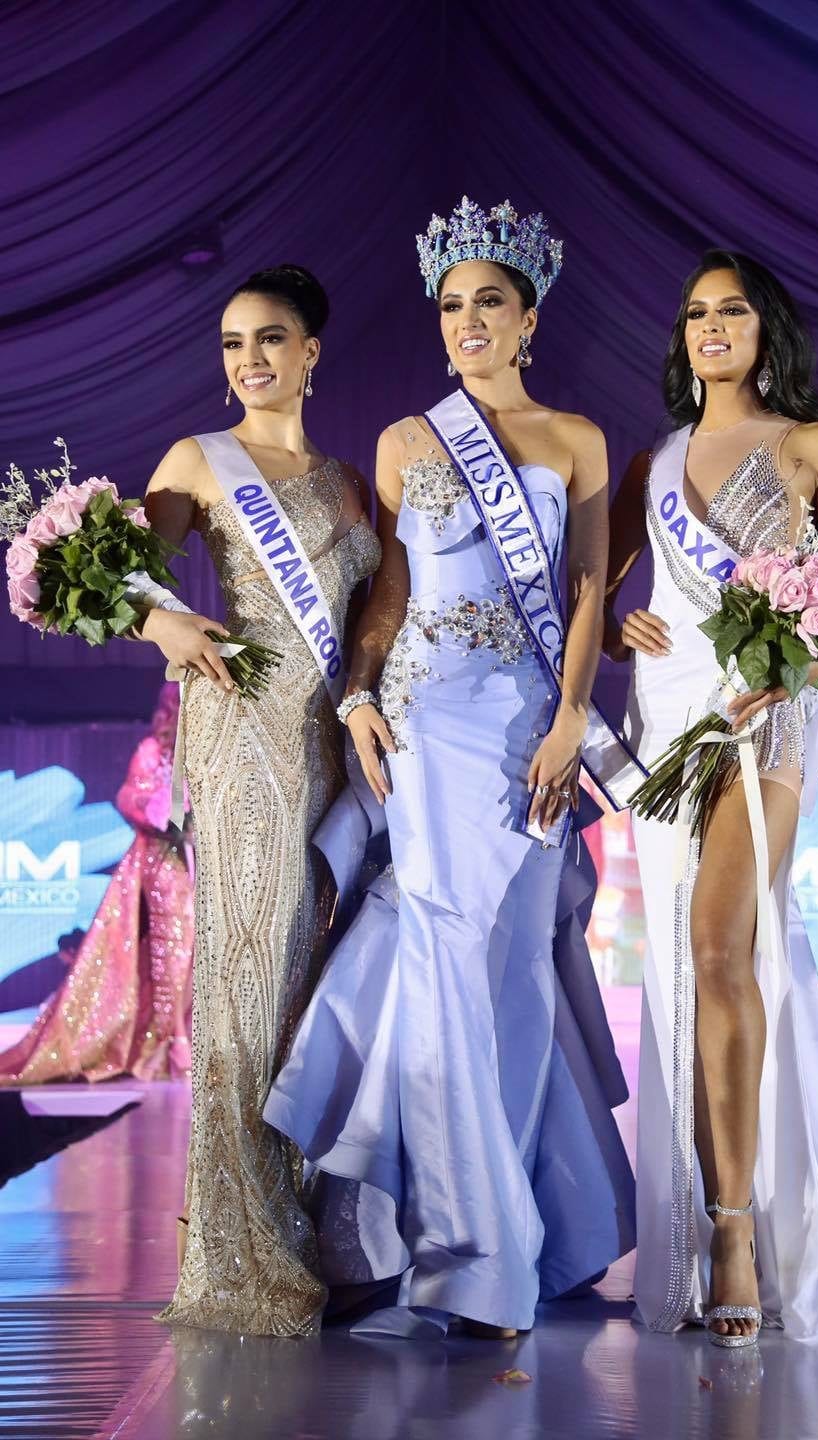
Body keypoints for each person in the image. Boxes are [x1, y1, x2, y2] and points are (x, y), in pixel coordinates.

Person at [266, 199, 637, 1340]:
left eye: (489, 303)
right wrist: (359, 695)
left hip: (531, 727)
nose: (467, 321)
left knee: (516, 971)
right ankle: (470, 1258)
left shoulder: (577, 438)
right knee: (437, 960)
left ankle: (517, 1227)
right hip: (427, 725)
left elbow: (587, 593)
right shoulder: (404, 440)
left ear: (529, 319)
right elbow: (389, 591)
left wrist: (571, 720)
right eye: (451, 305)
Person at [605, 249, 818, 1345]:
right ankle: (702, 1209)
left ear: (768, 331)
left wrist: (788, 661)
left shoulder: (815, 447)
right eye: (695, 313)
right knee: (688, 967)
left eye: (733, 311)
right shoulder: (653, 461)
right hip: (669, 719)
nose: (711, 327)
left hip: (773, 719)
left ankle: (736, 1232)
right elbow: (594, 596)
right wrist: (618, 624)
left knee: (722, 946)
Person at [139, 264, 381, 1335]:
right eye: (234, 343)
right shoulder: (200, 459)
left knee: (306, 995)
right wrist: (164, 623)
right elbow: (120, 579)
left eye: (270, 339)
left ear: (310, 352)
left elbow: (377, 622)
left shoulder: (348, 482)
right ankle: (240, 1251)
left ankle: (300, 1222)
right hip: (242, 741)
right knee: (243, 986)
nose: (250, 360)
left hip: (331, 749)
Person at [0, 682, 193, 1085]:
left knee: (192, 954)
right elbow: (130, 797)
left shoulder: (204, 751)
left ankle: (187, 1039)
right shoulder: (153, 751)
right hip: (162, 862)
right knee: (173, 952)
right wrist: (160, 812)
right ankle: (170, 1045)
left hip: (197, 861)